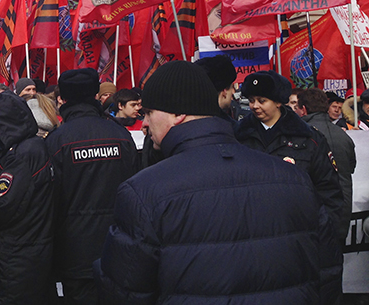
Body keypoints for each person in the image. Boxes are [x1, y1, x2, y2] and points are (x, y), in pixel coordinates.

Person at [95, 61, 343, 304]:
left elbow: (125, 292)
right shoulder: (295, 180)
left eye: (149, 112)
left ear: (178, 113)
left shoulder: (143, 193)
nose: (145, 123)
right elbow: (327, 274)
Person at [46, 69, 138, 305]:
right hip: (119, 249)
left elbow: (49, 200)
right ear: (96, 95)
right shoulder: (121, 135)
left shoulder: (57, 141)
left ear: (62, 99)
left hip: (75, 254)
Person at [235, 71, 343, 227]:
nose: (255, 106)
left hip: (297, 231)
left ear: (278, 102)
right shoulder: (238, 136)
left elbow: (329, 191)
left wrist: (323, 233)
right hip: (251, 229)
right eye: (252, 100)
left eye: (262, 100)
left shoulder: (309, 138)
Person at [0, 91, 53, 304]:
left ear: (7, 126)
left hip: (17, 253)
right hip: (25, 248)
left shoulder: (23, 155)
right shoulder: (24, 147)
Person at [296, 88, 356, 245]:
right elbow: (351, 168)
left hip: (311, 221)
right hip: (341, 216)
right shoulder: (343, 136)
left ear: (303, 109)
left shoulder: (301, 135)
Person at [194, 54, 240, 125]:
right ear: (224, 91)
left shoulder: (185, 121)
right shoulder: (230, 129)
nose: (233, 92)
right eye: (232, 87)